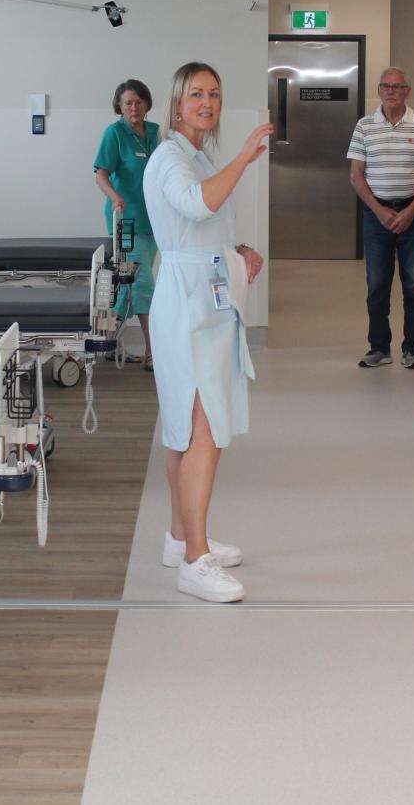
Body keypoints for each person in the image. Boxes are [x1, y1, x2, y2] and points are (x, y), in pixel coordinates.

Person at [143, 62, 272, 603]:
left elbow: (203, 225)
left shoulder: (196, 157)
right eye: (196, 94)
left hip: (205, 295)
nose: (207, 103)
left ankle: (181, 538)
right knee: (200, 427)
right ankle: (195, 561)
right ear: (177, 105)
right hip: (186, 306)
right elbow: (198, 203)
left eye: (214, 94)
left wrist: (237, 252)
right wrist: (244, 157)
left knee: (189, 424)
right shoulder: (169, 158)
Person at [347, 66, 414, 370]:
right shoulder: (364, 126)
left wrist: (411, 210)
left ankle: (412, 349)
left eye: (397, 86)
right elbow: (356, 175)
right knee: (377, 284)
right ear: (379, 90)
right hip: (377, 217)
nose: (390, 91)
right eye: (385, 86)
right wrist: (379, 210)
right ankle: (379, 347)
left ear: (407, 91)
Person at [94, 79, 160, 369]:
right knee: (143, 284)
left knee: (125, 287)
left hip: (154, 221)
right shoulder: (115, 134)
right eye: (128, 103)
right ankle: (153, 353)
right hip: (126, 221)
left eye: (138, 102)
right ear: (119, 107)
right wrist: (116, 197)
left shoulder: (157, 132)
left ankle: (104, 341)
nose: (134, 107)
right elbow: (101, 174)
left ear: (146, 104)